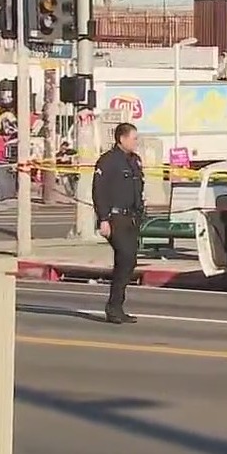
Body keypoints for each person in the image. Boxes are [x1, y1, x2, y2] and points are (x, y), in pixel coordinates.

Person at [92, 123, 144, 324]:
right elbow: (99, 191)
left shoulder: (134, 161)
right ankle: (113, 307)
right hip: (115, 219)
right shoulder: (108, 161)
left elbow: (138, 188)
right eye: (133, 138)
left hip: (131, 218)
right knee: (126, 257)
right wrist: (103, 219)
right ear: (122, 139)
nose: (136, 142)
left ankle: (117, 306)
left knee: (128, 262)